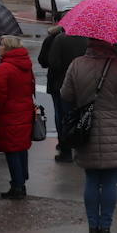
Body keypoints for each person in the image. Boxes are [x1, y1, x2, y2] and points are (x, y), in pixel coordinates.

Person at [62, 38, 117, 233]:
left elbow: (66, 94)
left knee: (91, 179)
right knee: (109, 180)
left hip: (86, 128)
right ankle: (105, 228)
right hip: (114, 129)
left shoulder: (77, 64)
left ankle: (92, 228)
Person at [0, 36, 36, 199]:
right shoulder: (26, 65)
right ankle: (21, 181)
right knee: (21, 147)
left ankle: (17, 186)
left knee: (11, 150)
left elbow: (0, 95)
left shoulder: (4, 68)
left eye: (1, 45)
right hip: (24, 110)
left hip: (9, 113)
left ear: (7, 48)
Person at [39, 25, 88, 163]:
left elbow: (52, 62)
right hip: (81, 83)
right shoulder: (86, 39)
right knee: (80, 115)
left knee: (62, 116)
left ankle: (65, 149)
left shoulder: (59, 39)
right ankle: (80, 145)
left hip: (59, 83)